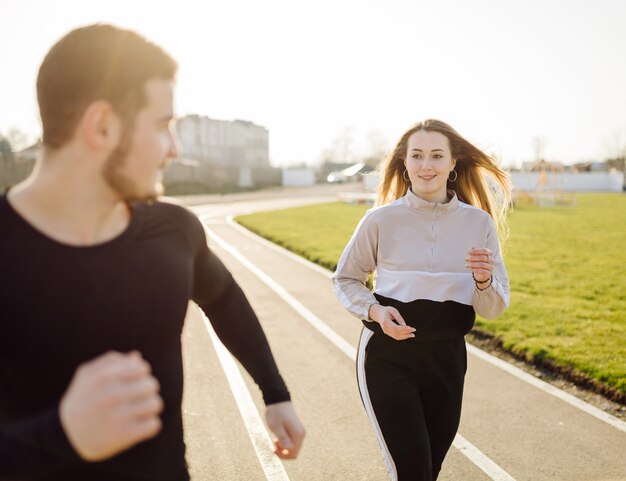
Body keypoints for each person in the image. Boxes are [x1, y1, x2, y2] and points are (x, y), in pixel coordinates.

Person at [0, 24, 305, 481]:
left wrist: (275, 391)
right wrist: (64, 435)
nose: (175, 150)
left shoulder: (174, 230)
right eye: (164, 126)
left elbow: (223, 297)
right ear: (102, 126)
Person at [332, 119, 511, 481]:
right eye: (416, 156)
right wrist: (376, 311)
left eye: (435, 155)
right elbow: (346, 278)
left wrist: (483, 280)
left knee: (429, 471)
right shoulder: (380, 220)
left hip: (446, 361)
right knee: (411, 472)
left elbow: (494, 307)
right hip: (388, 357)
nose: (425, 165)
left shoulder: (479, 224)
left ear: (452, 164)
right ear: (404, 163)